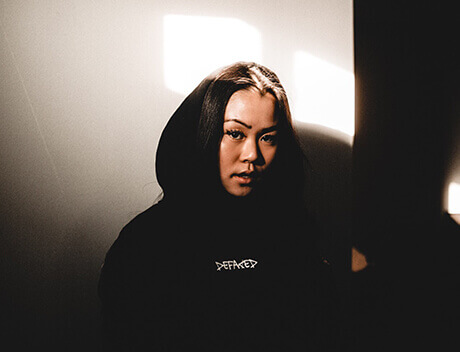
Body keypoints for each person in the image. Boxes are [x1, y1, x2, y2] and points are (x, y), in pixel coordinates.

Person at [98, 62, 341, 351]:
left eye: (268, 138)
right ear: (205, 132)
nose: (252, 155)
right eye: (236, 133)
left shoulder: (296, 234)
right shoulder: (146, 242)